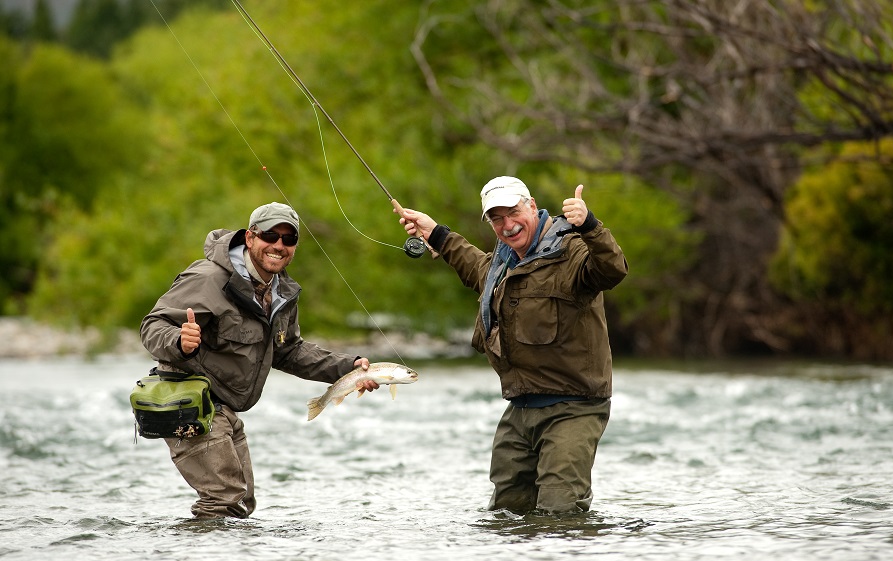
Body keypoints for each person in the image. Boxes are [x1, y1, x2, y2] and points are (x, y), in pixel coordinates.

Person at [397, 176, 628, 514]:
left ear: (532, 206)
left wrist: (591, 226)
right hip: (520, 409)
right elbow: (473, 264)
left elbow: (612, 270)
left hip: (574, 406)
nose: (507, 225)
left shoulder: (572, 249)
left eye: (513, 212)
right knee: (506, 514)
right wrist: (435, 233)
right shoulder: (503, 263)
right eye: (496, 218)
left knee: (559, 513)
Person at [140, 202, 379, 519]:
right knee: (223, 499)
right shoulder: (209, 279)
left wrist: (349, 367)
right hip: (187, 401)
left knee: (240, 505)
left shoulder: (280, 292)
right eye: (270, 235)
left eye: (289, 239)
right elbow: (151, 327)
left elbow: (289, 351)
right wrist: (179, 342)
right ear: (250, 238)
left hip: (224, 408)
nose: (279, 245)